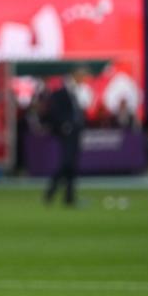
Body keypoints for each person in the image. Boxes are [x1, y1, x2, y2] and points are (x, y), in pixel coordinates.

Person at [43, 67, 88, 206]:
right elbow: (54, 113)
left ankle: (69, 197)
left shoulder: (75, 93)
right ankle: (51, 191)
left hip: (75, 133)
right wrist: (64, 125)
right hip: (67, 133)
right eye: (81, 76)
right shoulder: (61, 93)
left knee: (71, 165)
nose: (83, 79)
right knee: (67, 163)